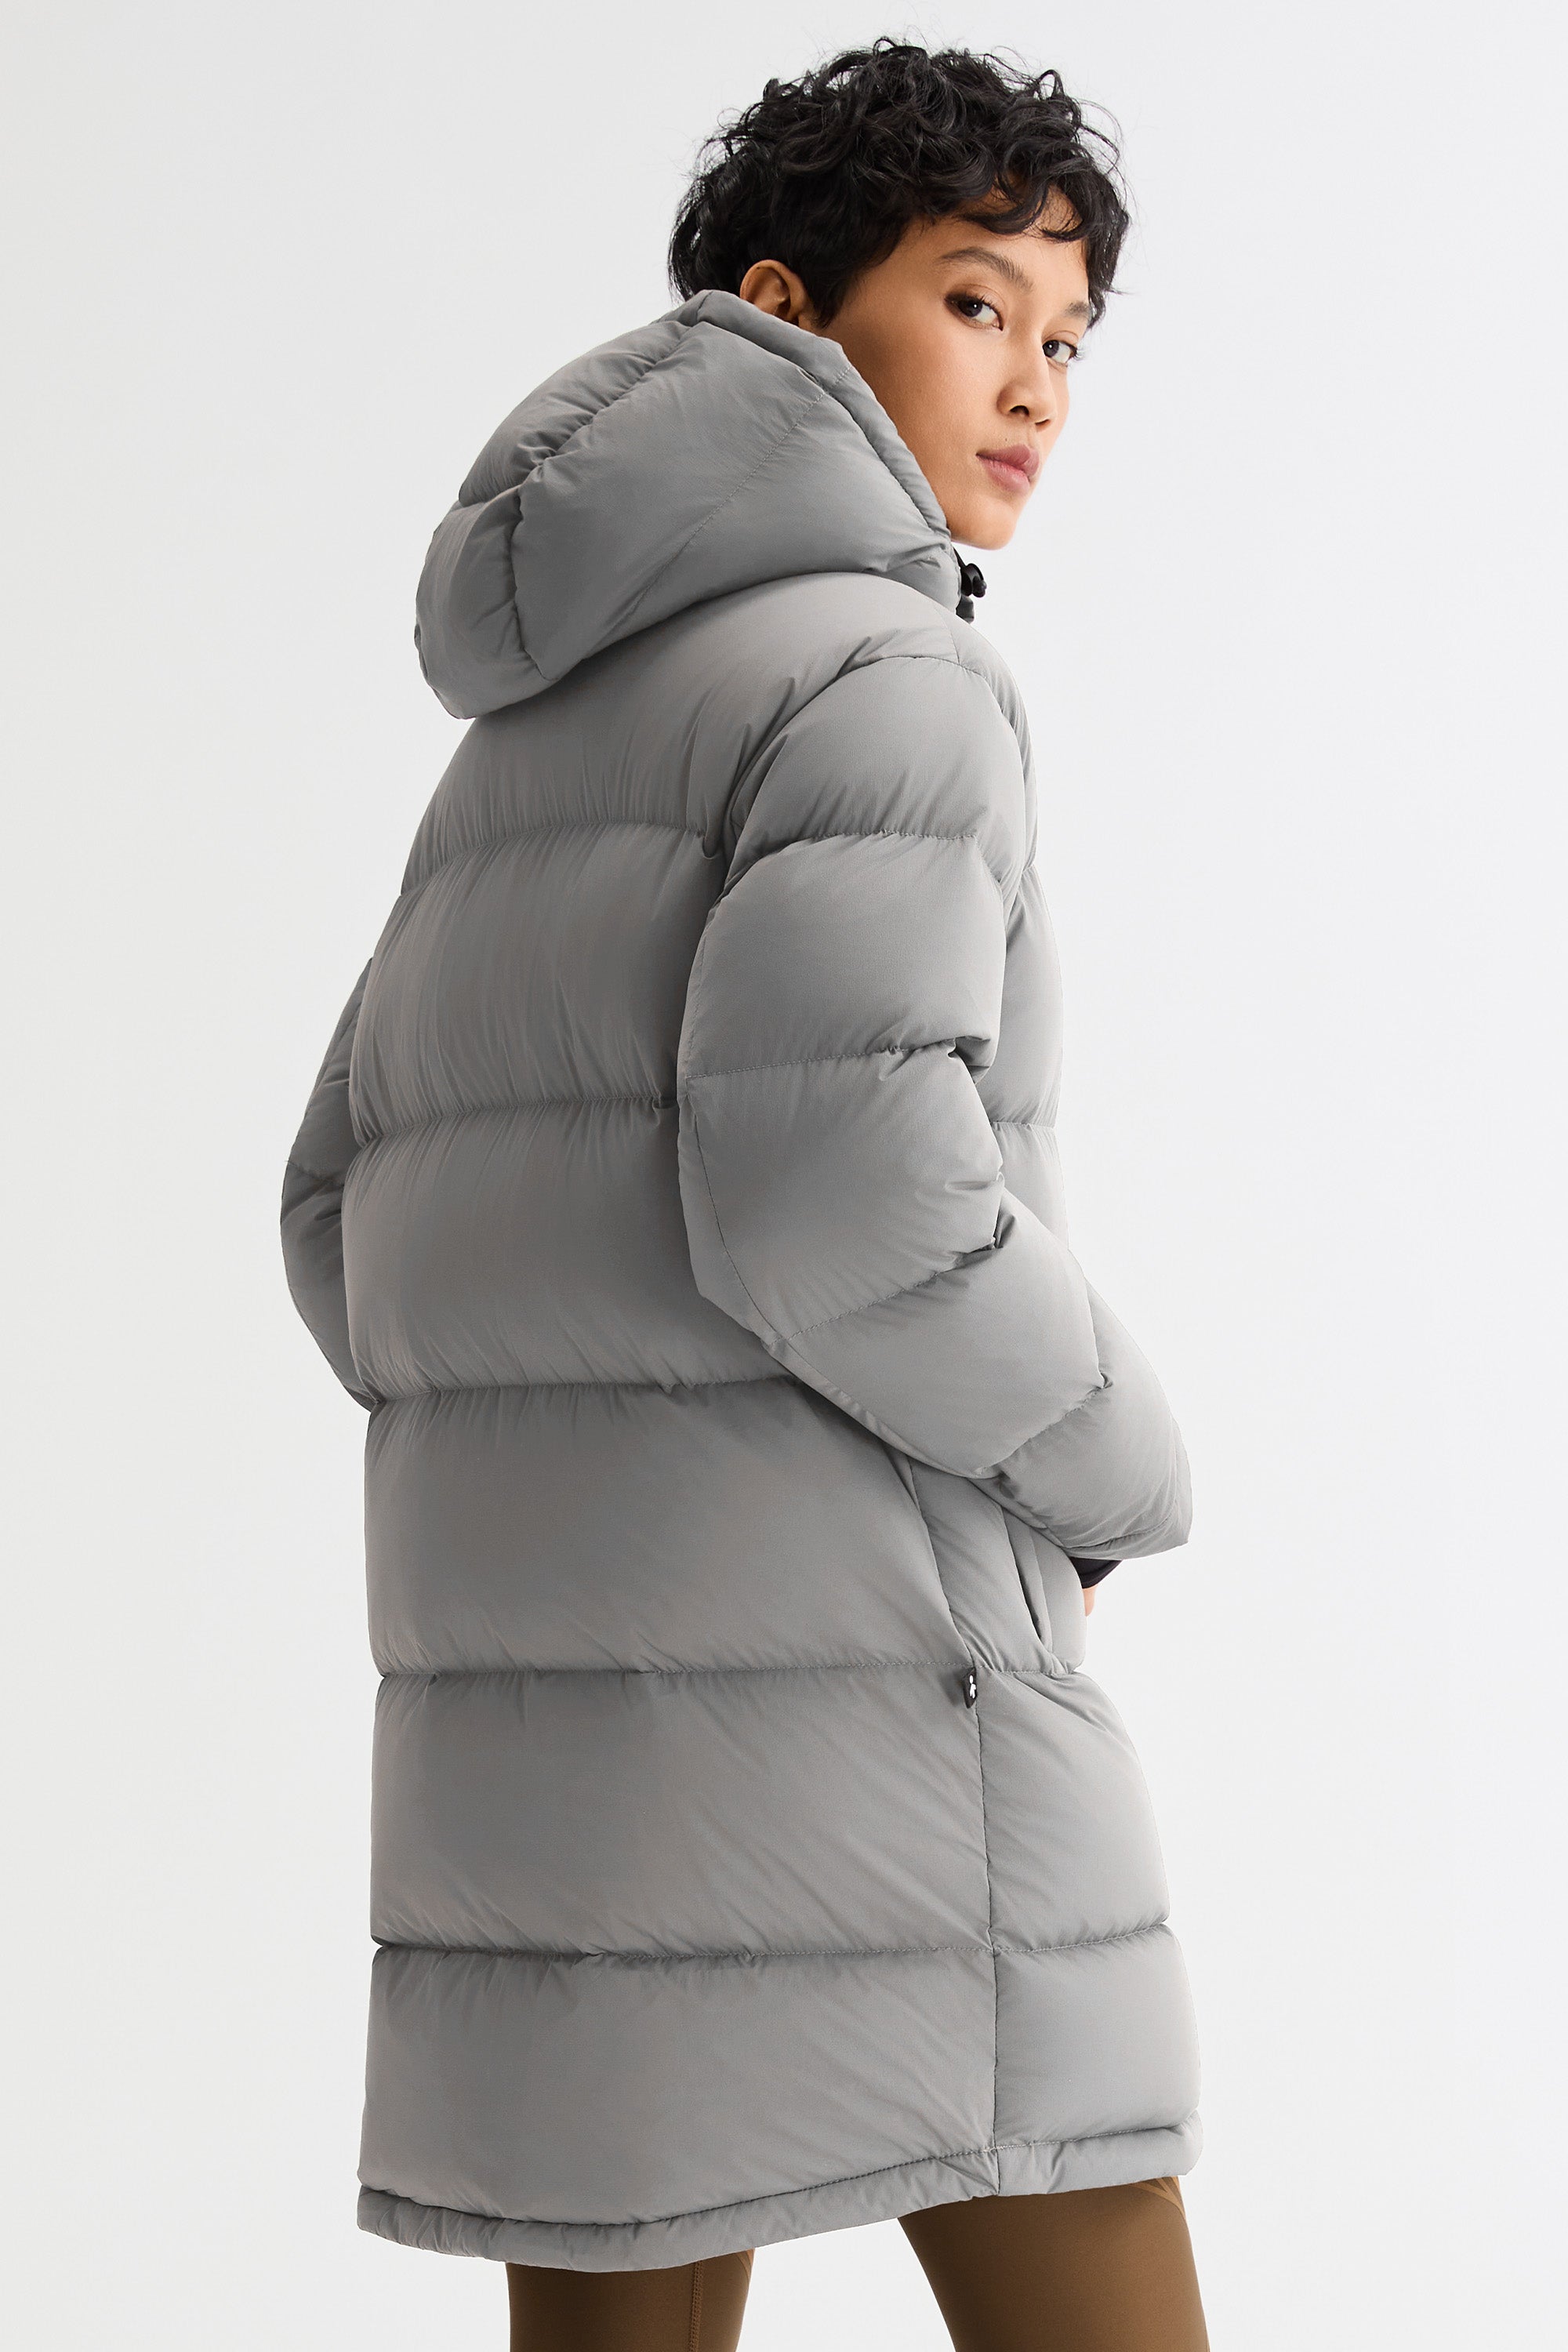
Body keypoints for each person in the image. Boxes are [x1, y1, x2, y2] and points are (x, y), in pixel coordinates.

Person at [281, 38, 1207, 2352]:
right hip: (885, 1707)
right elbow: (843, 1195)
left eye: (1070, 335)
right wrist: (1114, 1472)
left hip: (556, 1770)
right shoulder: (896, 681)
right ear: (785, 310)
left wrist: (570, 1476)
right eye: (977, 302)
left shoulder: (535, 730)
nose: (1037, 383)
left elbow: (337, 1211)